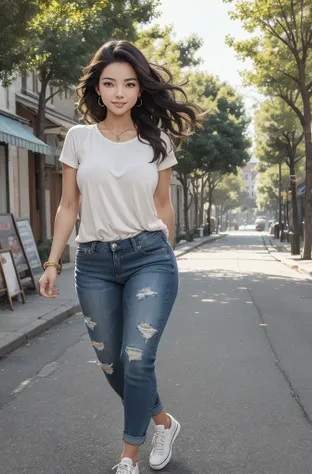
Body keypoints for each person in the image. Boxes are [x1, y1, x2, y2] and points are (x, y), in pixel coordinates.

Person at [39, 40, 200, 474]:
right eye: (109, 83)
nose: (119, 92)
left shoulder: (158, 142)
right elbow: (67, 205)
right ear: (97, 88)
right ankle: (163, 422)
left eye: (129, 84)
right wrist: (53, 262)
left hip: (148, 256)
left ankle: (128, 456)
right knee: (113, 365)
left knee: (137, 357)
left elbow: (163, 204)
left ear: (140, 90)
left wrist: (167, 252)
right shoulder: (78, 139)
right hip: (92, 263)